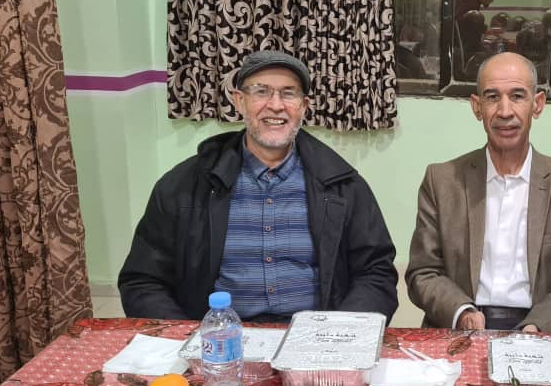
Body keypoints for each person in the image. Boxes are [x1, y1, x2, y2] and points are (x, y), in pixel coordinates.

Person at [119, 50, 398, 322]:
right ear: (239, 101)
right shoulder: (184, 186)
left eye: (288, 93)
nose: (275, 105)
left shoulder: (343, 186)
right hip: (220, 339)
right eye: (261, 91)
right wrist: (188, 337)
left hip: (316, 339)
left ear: (304, 106)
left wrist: (341, 334)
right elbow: (143, 281)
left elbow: (376, 273)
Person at [406, 52, 551, 334]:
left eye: (517, 96)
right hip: (461, 325)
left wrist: (536, 326)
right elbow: (423, 272)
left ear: (538, 104)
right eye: (493, 97)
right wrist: (462, 312)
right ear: (477, 107)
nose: (505, 111)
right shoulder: (442, 181)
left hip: (537, 326)